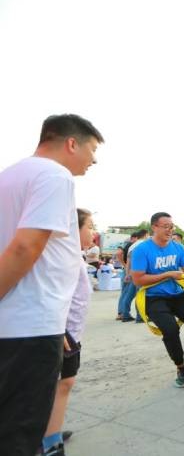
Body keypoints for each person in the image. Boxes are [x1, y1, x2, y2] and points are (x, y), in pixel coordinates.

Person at [0, 113, 103, 456]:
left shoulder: (9, 176)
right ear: (71, 143)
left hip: (16, 321)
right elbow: (25, 247)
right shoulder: (55, 176)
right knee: (18, 434)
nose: (93, 160)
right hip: (29, 327)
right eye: (91, 149)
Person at [131, 212, 184, 388]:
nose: (170, 230)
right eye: (166, 226)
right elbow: (138, 280)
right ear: (154, 227)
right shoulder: (141, 250)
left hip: (178, 295)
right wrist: (168, 274)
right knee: (170, 330)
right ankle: (181, 367)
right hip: (154, 298)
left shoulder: (178, 248)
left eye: (172, 227)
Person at [41, 209, 95, 455]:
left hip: (71, 330)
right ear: (74, 227)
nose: (93, 233)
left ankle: (49, 432)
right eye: (90, 227)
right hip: (60, 330)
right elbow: (48, 293)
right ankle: (49, 442)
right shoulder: (61, 255)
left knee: (63, 383)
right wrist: (58, 329)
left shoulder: (75, 255)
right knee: (59, 383)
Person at [116, 229, 148, 322]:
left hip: (131, 273)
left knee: (128, 295)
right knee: (140, 295)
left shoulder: (132, 246)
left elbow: (129, 261)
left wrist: (127, 273)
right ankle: (140, 316)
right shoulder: (144, 244)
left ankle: (125, 314)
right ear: (146, 235)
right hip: (140, 273)